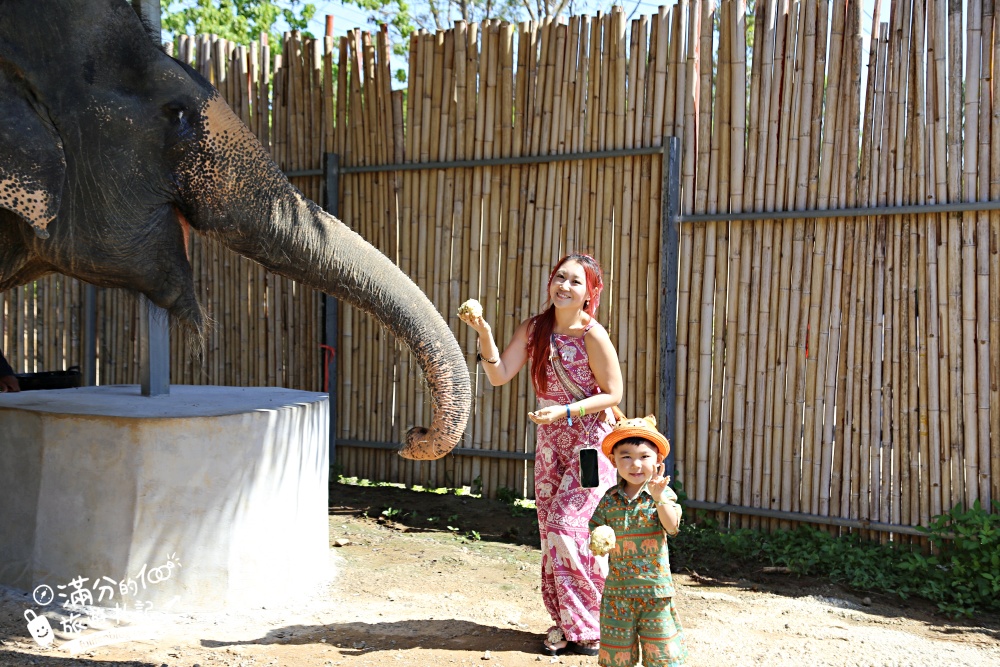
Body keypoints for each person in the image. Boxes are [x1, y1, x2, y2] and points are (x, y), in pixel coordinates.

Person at [459, 253, 623, 657]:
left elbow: (614, 394)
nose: (564, 286)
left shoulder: (593, 335)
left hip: (590, 447)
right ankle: (567, 622)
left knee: (569, 527)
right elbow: (499, 375)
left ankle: (594, 626)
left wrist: (566, 410)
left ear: (590, 293)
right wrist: (483, 333)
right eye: (559, 277)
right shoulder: (536, 328)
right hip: (551, 445)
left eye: (575, 282)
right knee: (551, 532)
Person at [590, 415, 687, 667]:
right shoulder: (609, 499)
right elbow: (595, 531)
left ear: (658, 461)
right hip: (618, 592)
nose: (636, 465)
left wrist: (658, 498)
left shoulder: (662, 493)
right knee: (616, 656)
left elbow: (672, 526)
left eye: (644, 456)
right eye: (626, 457)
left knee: (661, 655)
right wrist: (598, 542)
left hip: (654, 591)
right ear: (613, 461)